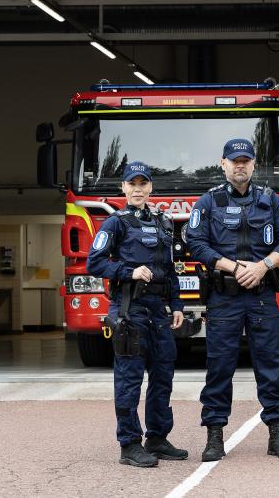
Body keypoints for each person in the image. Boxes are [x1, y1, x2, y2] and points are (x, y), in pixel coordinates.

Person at [187, 138, 279, 461]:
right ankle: (214, 436)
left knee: (271, 366)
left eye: (246, 160)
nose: (240, 165)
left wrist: (264, 266)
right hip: (225, 298)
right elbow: (196, 243)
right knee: (219, 368)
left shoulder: (271, 200)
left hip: (262, 296)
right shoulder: (208, 203)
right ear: (223, 164)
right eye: (234, 161)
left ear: (253, 164)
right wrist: (234, 267)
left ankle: (277, 435)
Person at [87, 162, 188, 467]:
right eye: (133, 184)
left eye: (143, 184)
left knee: (163, 375)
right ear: (124, 188)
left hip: (158, 311)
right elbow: (95, 263)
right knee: (129, 379)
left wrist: (178, 305)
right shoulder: (116, 223)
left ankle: (156, 437)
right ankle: (129, 444)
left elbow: (169, 271)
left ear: (150, 189)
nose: (138, 189)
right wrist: (128, 272)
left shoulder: (163, 222)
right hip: (129, 309)